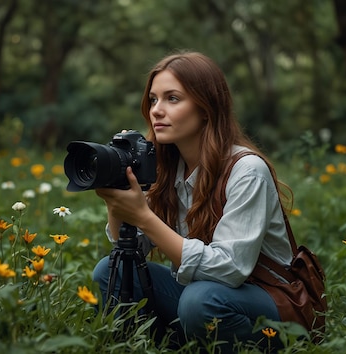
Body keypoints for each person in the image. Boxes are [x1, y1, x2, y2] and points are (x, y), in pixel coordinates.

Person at [92, 51, 293, 352]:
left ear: (206, 109)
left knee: (200, 300)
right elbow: (137, 247)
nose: (157, 110)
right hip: (202, 296)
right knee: (111, 270)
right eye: (153, 100)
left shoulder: (246, 170)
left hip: (269, 306)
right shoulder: (164, 166)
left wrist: (145, 216)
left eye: (172, 98)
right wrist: (117, 198)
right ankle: (148, 345)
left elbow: (230, 269)